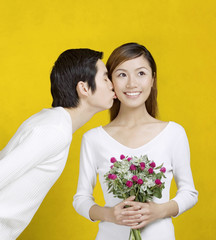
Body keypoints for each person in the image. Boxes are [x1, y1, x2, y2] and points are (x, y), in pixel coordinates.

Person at [73, 43, 198, 240]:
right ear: (110, 81)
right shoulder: (93, 138)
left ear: (152, 79)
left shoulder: (174, 133)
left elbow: (189, 193)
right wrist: (109, 214)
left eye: (141, 73)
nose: (132, 84)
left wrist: (160, 210)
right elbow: (81, 199)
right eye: (122, 74)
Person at [0, 48, 115, 240]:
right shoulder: (55, 130)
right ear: (84, 88)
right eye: (105, 78)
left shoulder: (53, 121)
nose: (112, 85)